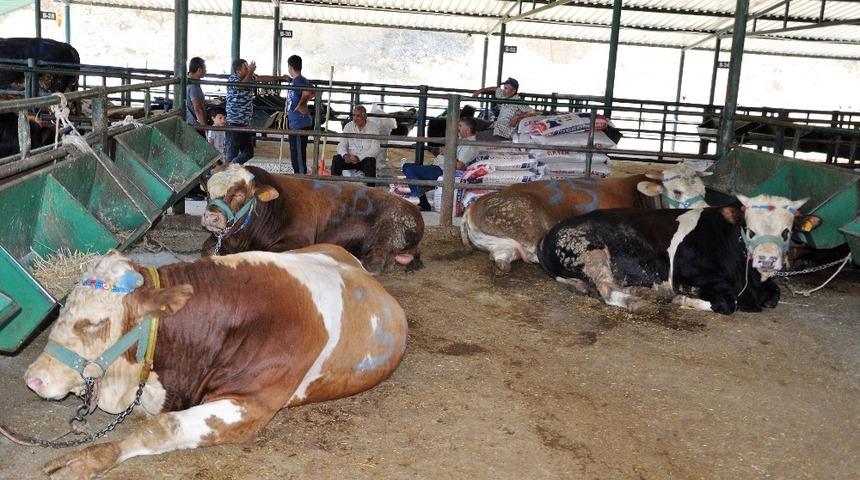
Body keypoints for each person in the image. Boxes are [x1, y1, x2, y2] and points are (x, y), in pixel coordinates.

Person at [402, 117, 480, 211]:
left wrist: (447, 152)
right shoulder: (462, 141)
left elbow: (459, 166)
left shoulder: (469, 145)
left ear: (468, 130)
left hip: (443, 171)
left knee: (411, 170)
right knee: (407, 167)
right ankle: (422, 188)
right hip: (438, 167)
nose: (457, 128)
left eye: (460, 126)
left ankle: (423, 201)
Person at [226, 58, 290, 164]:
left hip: (245, 123)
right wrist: (250, 71)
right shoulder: (233, 79)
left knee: (248, 153)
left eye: (248, 67)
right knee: (232, 153)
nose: (249, 69)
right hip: (234, 122)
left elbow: (262, 78)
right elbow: (242, 86)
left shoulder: (250, 77)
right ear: (238, 71)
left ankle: (231, 167)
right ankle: (229, 171)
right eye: (246, 68)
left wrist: (280, 78)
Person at [471, 77, 536, 141]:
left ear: (513, 91)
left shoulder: (518, 102)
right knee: (472, 121)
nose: (504, 91)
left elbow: (533, 112)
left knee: (476, 137)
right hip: (496, 125)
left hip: (503, 133)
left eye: (506, 88)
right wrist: (480, 91)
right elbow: (496, 89)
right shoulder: (504, 95)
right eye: (504, 88)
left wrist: (518, 116)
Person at [331, 105, 385, 181]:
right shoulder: (348, 126)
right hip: (349, 159)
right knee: (336, 159)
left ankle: (370, 189)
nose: (355, 118)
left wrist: (358, 157)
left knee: (371, 161)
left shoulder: (373, 127)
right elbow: (341, 145)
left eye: (358, 116)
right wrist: (345, 155)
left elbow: (375, 149)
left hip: (364, 160)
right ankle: (334, 186)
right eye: (354, 115)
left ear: (365, 116)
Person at [286, 55, 314, 174]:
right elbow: (311, 90)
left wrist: (300, 105)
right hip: (299, 121)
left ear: (290, 67)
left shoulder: (298, 80)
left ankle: (301, 177)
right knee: (298, 153)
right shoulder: (301, 79)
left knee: (297, 155)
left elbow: (309, 92)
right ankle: (300, 175)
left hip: (298, 122)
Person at [186, 57, 207, 128]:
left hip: (187, 120)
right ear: (199, 70)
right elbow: (197, 109)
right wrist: (205, 128)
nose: (206, 71)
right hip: (194, 124)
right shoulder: (194, 86)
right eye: (205, 68)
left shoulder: (187, 81)